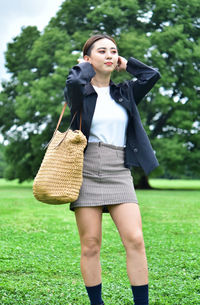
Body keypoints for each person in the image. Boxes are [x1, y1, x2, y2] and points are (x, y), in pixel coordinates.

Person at [64, 34, 161, 305]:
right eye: (102, 51)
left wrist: (126, 63)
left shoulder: (125, 91)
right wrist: (84, 66)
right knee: (91, 244)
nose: (109, 55)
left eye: (113, 51)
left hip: (119, 170)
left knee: (135, 239)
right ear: (87, 59)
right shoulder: (79, 92)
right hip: (85, 170)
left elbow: (151, 76)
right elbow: (73, 80)